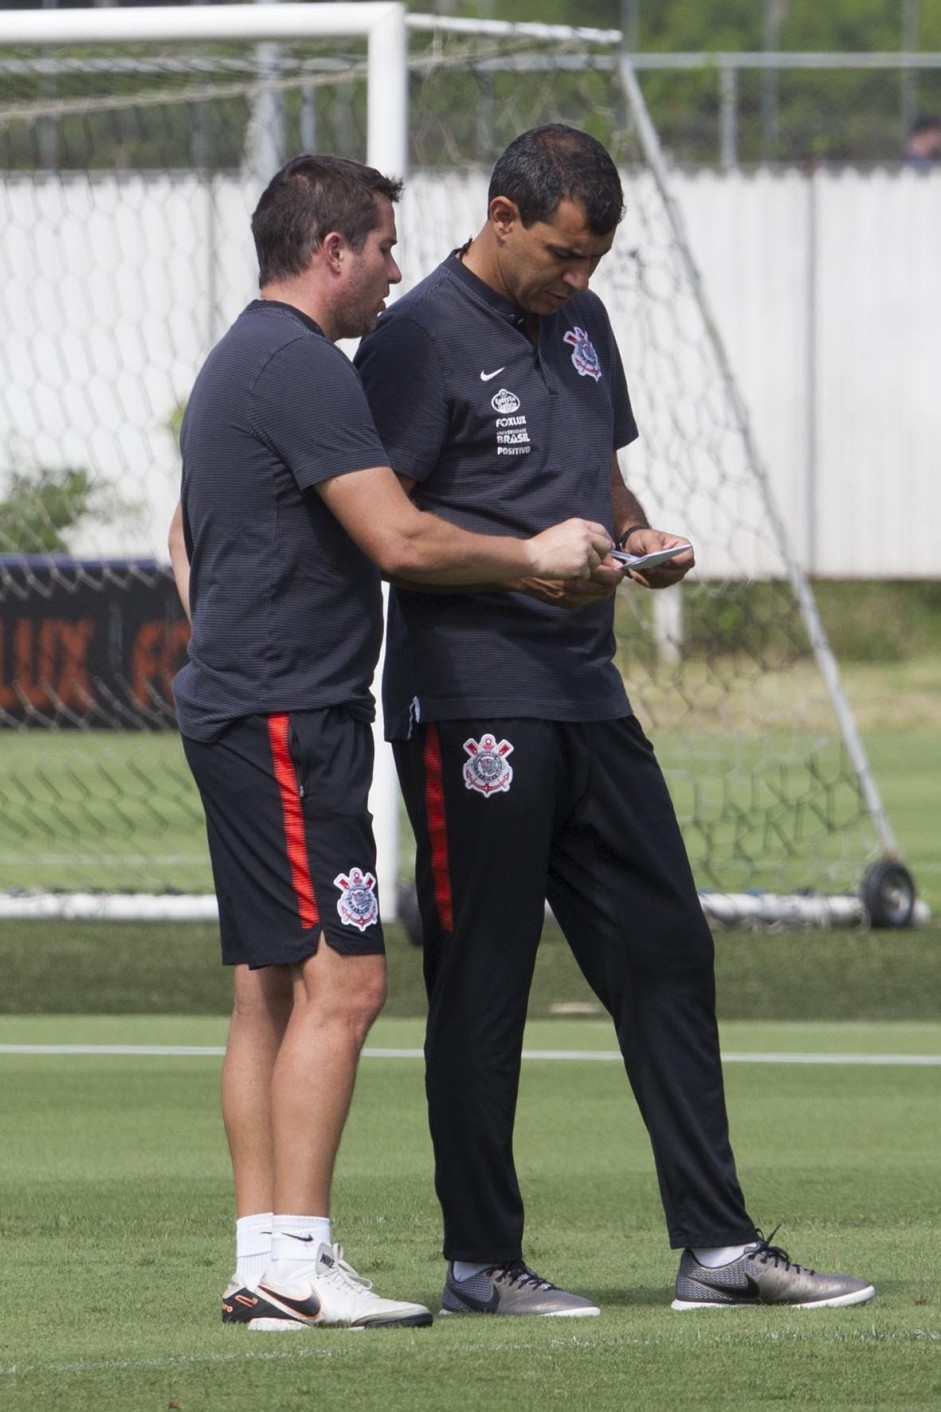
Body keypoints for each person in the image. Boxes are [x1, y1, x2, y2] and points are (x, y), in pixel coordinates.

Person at [355, 124, 876, 1315]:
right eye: (558, 253)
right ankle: (482, 1260)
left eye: (591, 258)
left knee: (666, 950)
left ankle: (717, 1246)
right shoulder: (413, 338)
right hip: (470, 700)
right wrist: (517, 564)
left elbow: (600, 477)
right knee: (483, 977)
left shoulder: (583, 325)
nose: (574, 278)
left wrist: (638, 537)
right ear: (498, 217)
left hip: (588, 690)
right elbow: (380, 532)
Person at [168, 152, 612, 1332]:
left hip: (247, 704)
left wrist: (226, 643)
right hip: (284, 718)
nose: (394, 269)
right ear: (330, 253)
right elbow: (403, 541)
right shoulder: (303, 365)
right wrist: (535, 556)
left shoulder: (240, 360)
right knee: (347, 979)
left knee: (268, 987)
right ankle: (299, 1261)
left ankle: (265, 1254)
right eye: (380, 246)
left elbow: (180, 536)